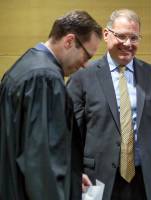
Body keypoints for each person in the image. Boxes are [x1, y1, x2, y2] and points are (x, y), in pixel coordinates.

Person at [67, 8, 151, 200]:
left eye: (134, 38)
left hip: (144, 180)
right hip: (96, 181)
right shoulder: (82, 78)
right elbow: (70, 136)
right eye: (121, 36)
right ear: (106, 34)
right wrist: (73, 174)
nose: (128, 44)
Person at [0, 10, 102, 200]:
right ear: (70, 41)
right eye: (87, 56)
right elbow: (42, 162)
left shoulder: (24, 65)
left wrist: (70, 176)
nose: (85, 65)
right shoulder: (46, 79)